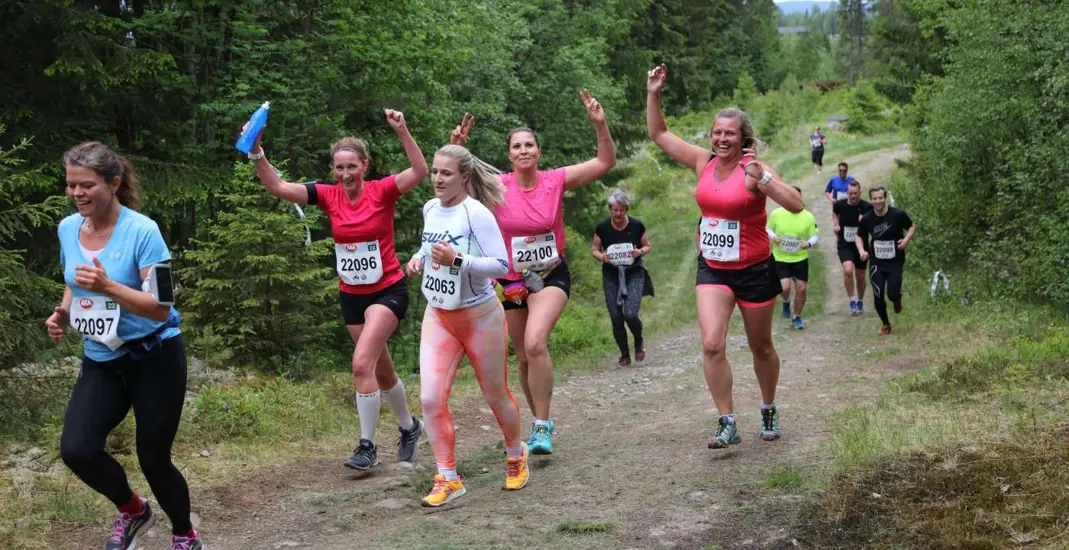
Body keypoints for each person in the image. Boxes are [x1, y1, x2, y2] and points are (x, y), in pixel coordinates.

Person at [46, 142, 204, 550]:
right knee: (77, 450)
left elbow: (161, 307)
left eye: (86, 185)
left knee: (153, 458)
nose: (77, 193)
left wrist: (109, 287)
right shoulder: (68, 228)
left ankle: (185, 535)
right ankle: (133, 510)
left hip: (155, 357)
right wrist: (63, 312)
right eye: (71, 185)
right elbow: (74, 281)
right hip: (102, 358)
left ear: (113, 183)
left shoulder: (143, 231)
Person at [247, 110, 426, 470]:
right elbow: (278, 187)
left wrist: (403, 131)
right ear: (333, 169)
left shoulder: (381, 191)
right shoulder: (327, 195)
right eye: (339, 168)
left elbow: (420, 172)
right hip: (352, 295)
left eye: (352, 167)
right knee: (381, 370)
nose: (346, 174)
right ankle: (410, 427)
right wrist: (256, 151)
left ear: (364, 166)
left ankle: (367, 446)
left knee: (361, 364)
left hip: (388, 290)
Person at [448, 89, 616, 455]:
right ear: (509, 155)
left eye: (529, 145)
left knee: (536, 342)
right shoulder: (497, 186)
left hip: (550, 274)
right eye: (517, 146)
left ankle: (540, 425)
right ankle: (542, 421)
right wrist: (457, 148)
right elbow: (455, 186)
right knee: (523, 357)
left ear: (538, 152)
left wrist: (599, 124)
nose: (523, 150)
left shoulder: (555, 180)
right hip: (511, 281)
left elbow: (605, 162)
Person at [646, 64, 804, 449]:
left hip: (755, 269)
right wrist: (654, 94)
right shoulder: (704, 162)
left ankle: (768, 406)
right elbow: (659, 134)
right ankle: (727, 420)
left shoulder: (755, 170)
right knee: (712, 344)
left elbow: (796, 204)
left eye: (729, 133)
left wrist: (763, 179)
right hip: (714, 269)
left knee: (760, 346)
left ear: (743, 138)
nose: (721, 138)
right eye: (717, 132)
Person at [405, 144, 528, 507]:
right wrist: (417, 259)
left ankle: (515, 454)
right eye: (435, 172)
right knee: (430, 398)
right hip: (439, 316)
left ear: (464, 177)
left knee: (495, 395)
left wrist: (458, 260)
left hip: (480, 317)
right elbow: (428, 247)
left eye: (446, 173)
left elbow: (500, 265)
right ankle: (448, 477)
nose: (438, 179)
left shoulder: (476, 214)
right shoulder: (430, 208)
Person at [591, 189, 654, 367]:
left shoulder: (636, 225)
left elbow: (648, 246)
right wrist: (602, 257)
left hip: (634, 272)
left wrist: (639, 252)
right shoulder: (603, 227)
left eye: (621, 210)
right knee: (616, 316)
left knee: (630, 313)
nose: (618, 214)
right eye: (615, 210)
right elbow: (594, 249)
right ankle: (624, 355)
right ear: (610, 209)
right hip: (611, 275)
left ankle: (638, 340)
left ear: (627, 209)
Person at [855, 186, 917, 335]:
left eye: (880, 198)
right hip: (877, 263)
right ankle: (886, 324)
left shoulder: (897, 214)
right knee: (878, 292)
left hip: (895, 261)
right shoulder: (867, 218)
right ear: (871, 199)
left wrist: (906, 240)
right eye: (874, 198)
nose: (878, 201)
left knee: (892, 293)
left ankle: (897, 299)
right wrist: (862, 251)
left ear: (885, 198)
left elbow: (911, 227)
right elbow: (858, 236)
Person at [766, 186, 819, 330]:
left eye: (797, 197)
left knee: (802, 289)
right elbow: (768, 228)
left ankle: (796, 316)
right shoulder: (777, 213)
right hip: (780, 257)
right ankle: (786, 301)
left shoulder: (808, 216)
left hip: (800, 258)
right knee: (785, 287)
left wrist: (808, 243)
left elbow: (814, 236)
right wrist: (773, 237)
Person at [832, 180, 873, 315]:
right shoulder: (840, 205)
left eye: (855, 193)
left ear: (860, 192)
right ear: (847, 193)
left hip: (861, 246)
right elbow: (835, 212)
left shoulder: (867, 207)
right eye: (850, 193)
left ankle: (860, 300)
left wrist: (865, 219)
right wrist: (836, 225)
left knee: (860, 275)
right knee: (848, 270)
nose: (853, 196)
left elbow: (873, 223)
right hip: (845, 244)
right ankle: (852, 300)